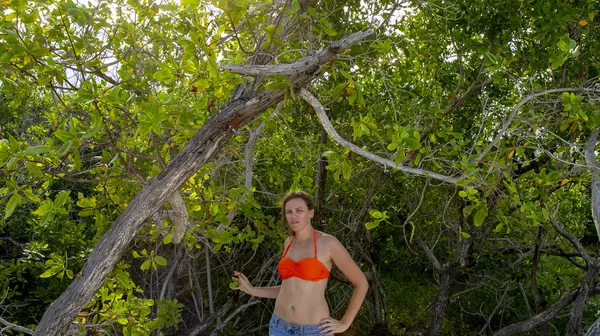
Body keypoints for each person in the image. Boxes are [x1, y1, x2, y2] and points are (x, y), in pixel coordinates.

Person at [232, 190, 369, 336]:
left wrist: (344, 323)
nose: (293, 216)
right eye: (289, 212)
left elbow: (361, 283)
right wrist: (252, 290)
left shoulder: (327, 243)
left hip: (313, 330)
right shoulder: (288, 243)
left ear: (311, 213)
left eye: (299, 210)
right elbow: (288, 289)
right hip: (279, 327)